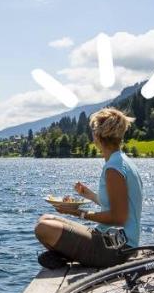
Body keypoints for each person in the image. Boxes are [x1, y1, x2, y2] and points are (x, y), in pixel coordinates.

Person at [35, 107, 143, 269]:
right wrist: (89, 194)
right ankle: (65, 255)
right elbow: (115, 205)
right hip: (112, 240)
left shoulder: (114, 168)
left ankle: (64, 256)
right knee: (45, 219)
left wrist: (78, 213)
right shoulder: (120, 161)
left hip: (117, 249)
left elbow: (118, 218)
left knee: (43, 228)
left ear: (96, 136)